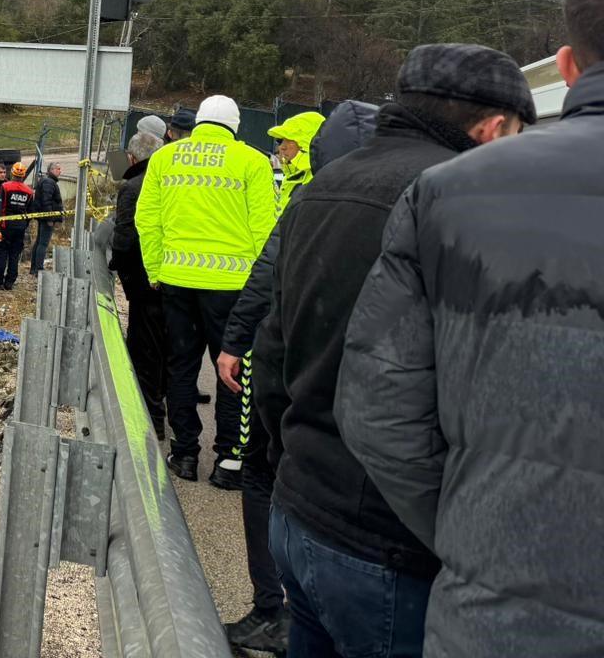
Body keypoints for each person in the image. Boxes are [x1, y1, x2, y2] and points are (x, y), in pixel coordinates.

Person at [254, 44, 533, 658]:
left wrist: (288, 459)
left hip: (299, 512)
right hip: (387, 544)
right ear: (492, 128)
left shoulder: (323, 185)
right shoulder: (465, 203)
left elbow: (272, 346)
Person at [337, 6, 597, 657]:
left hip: (495, 621)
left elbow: (378, 409)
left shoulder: (438, 195)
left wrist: (478, 532)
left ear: (566, 65)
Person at [215, 101, 378, 656]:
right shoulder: (411, 194)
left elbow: (268, 272)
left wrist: (236, 341)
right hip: (361, 382)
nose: (281, 149)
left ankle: (273, 610)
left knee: (266, 471)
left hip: (292, 363)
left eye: (289, 143)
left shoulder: (311, 194)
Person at [134, 94, 275, 485]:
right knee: (233, 371)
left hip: (176, 282)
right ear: (234, 125)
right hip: (233, 289)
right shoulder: (253, 162)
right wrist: (261, 287)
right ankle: (229, 462)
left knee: (181, 368)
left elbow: (147, 220)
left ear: (198, 123)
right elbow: (267, 230)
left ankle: (185, 455)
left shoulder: (165, 158)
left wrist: (156, 270)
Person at [111, 133, 167, 437]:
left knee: (144, 346)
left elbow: (126, 235)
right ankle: (160, 407)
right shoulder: (168, 178)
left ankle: (149, 417)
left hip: (145, 279)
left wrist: (117, 264)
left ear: (133, 157)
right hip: (174, 275)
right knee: (167, 346)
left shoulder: (133, 187)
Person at [267, 111, 325, 211]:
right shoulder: (294, 175)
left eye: (289, 139)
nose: (282, 147)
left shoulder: (317, 180)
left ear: (306, 143)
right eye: (280, 141)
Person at [0, 162, 34, 290]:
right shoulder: (29, 191)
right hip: (20, 228)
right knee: (14, 254)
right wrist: (24, 224)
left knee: (1, 252)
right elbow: (30, 212)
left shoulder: (5, 187)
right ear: (23, 175)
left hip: (5, 226)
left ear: (12, 173)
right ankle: (10, 281)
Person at [30, 161, 63, 274]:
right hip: (46, 218)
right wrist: (50, 218)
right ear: (52, 170)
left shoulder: (48, 181)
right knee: (43, 243)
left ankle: (34, 268)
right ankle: (38, 269)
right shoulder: (49, 182)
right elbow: (46, 201)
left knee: (39, 242)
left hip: (44, 217)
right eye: (58, 168)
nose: (60, 171)